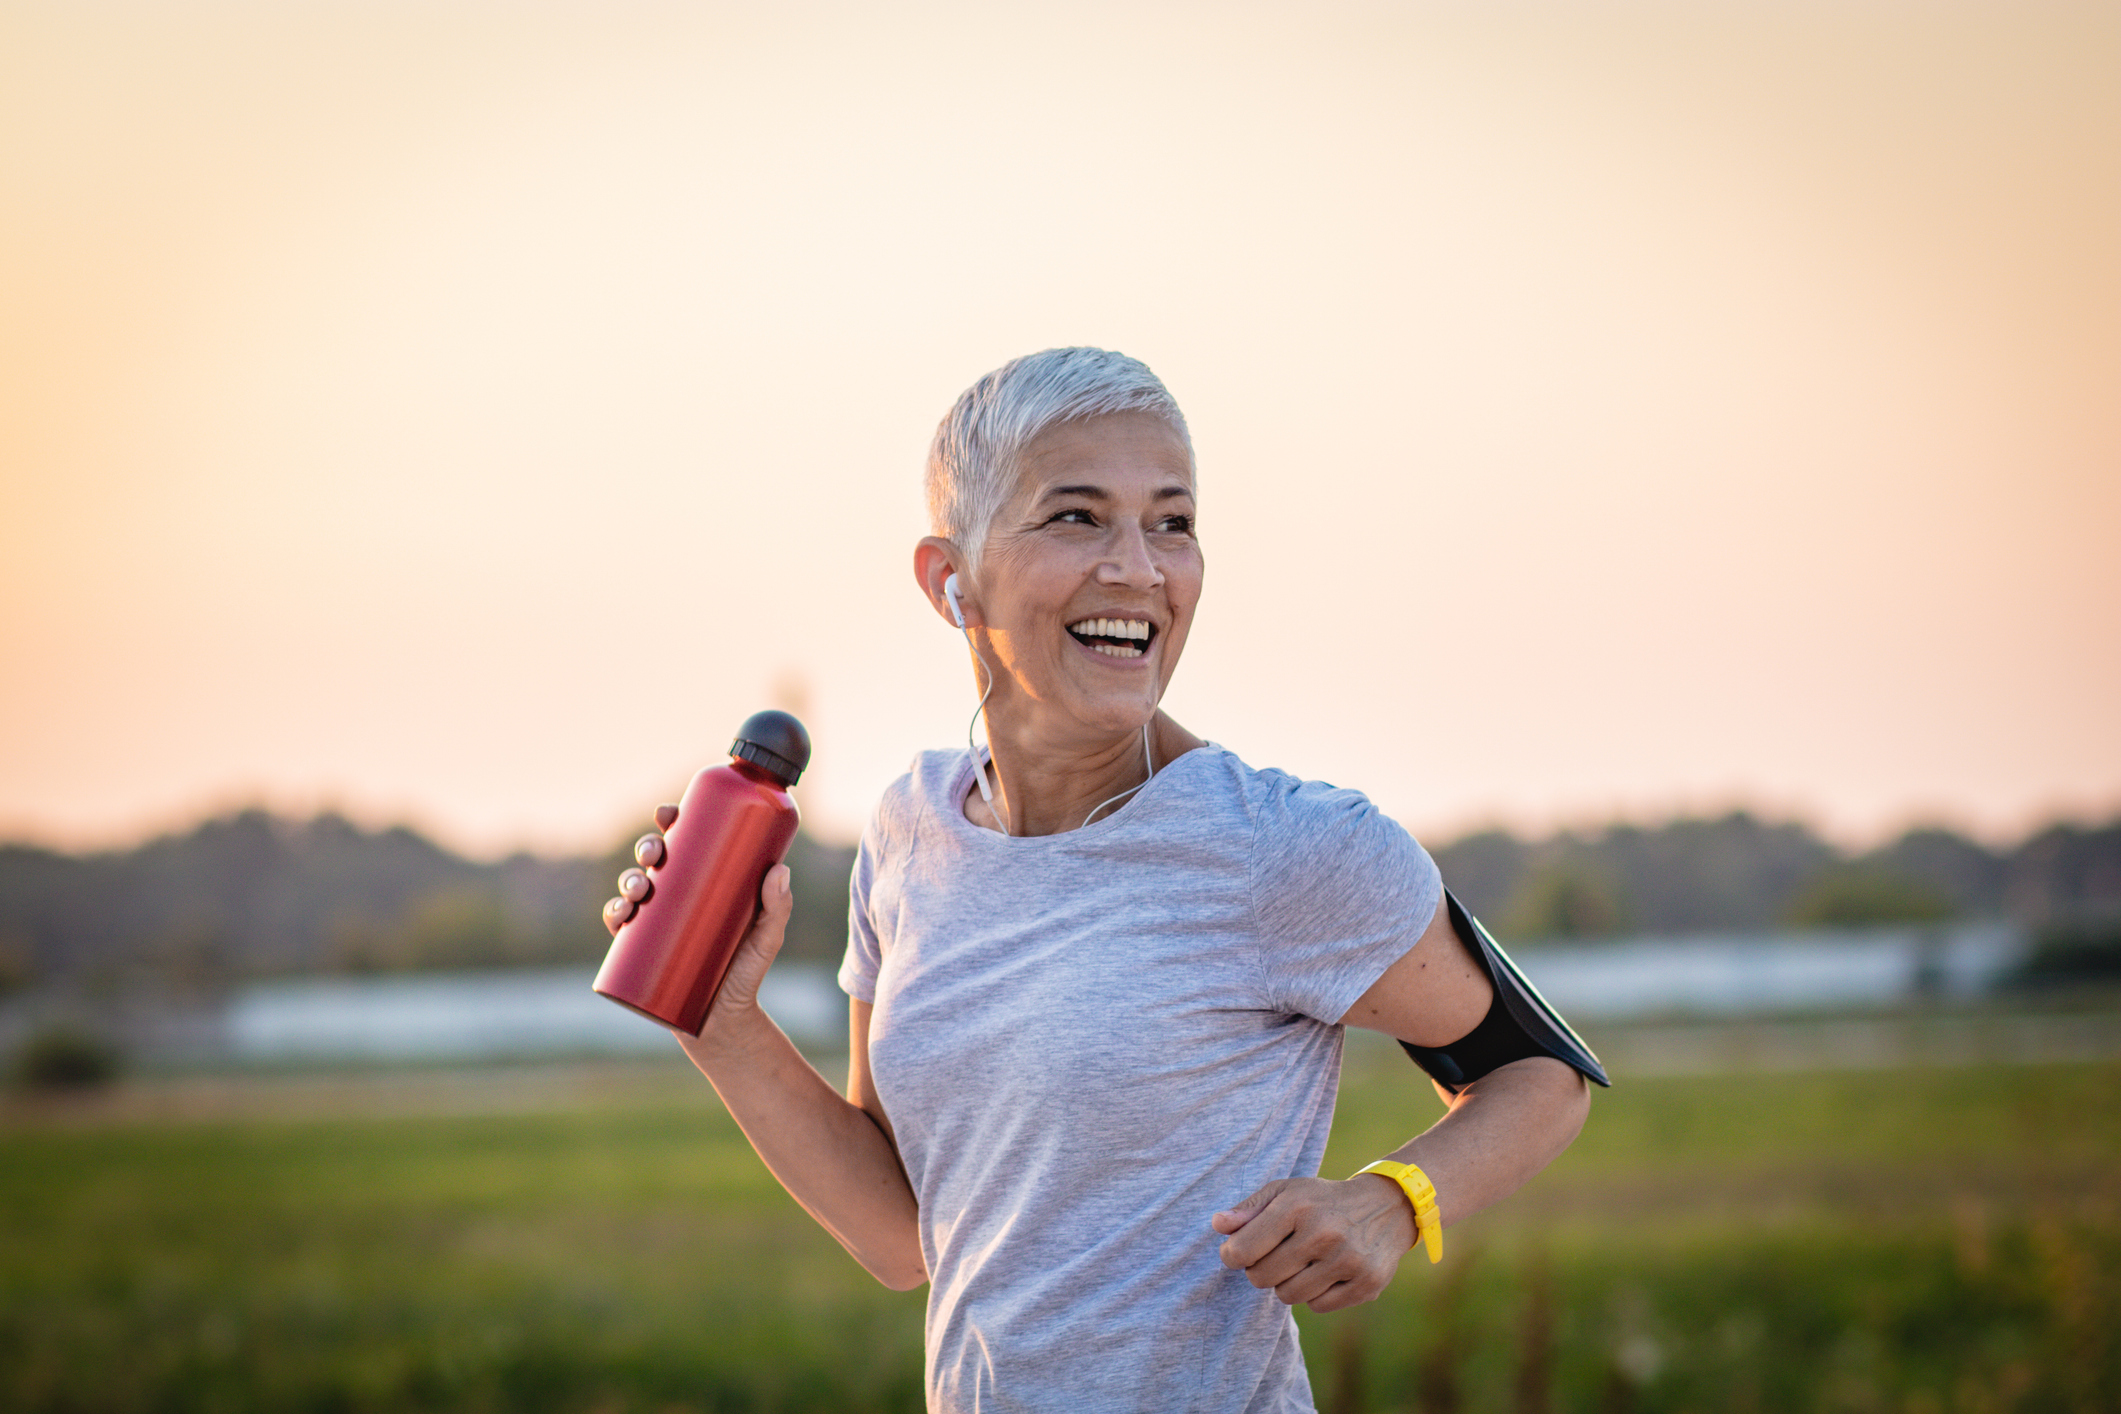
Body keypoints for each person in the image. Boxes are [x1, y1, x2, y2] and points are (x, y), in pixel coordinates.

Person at [605, 347, 1593, 1412]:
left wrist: (1391, 1200)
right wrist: (722, 1022)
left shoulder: (1285, 846)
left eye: (1172, 523)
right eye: (1076, 517)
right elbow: (903, 1234)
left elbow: (1542, 1076)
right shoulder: (910, 831)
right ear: (949, 579)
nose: (1138, 569)